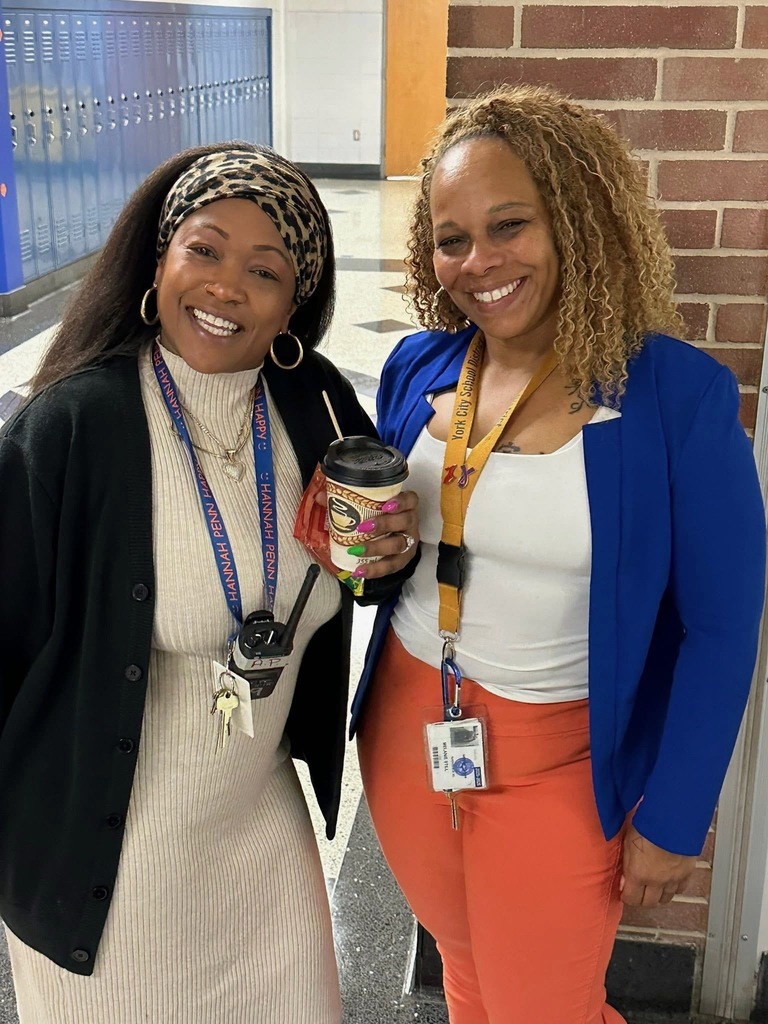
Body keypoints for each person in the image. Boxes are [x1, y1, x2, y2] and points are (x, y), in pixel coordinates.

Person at [347, 85, 766, 1023]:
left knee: (545, 1005)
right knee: (466, 973)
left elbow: (722, 627)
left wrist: (673, 814)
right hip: (413, 727)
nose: (479, 262)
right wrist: (371, 558)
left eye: (509, 224)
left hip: (561, 761)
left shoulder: (676, 398)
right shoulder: (421, 362)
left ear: (577, 220)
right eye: (452, 238)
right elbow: (396, 547)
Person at [0, 142, 418, 1024]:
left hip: (261, 830)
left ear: (293, 302)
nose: (227, 285)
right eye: (205, 249)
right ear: (160, 261)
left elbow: (353, 574)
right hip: (109, 860)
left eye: (264, 269)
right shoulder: (74, 428)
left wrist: (390, 560)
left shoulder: (319, 408)